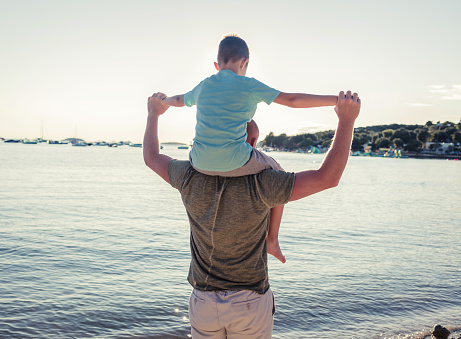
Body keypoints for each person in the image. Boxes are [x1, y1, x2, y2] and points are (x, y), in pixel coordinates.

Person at [144, 90, 361, 338]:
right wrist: (346, 120)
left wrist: (153, 114)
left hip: (203, 300)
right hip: (248, 301)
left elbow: (151, 157)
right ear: (253, 144)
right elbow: (327, 178)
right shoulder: (264, 182)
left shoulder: (189, 175)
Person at [161, 34, 338, 263]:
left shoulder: (204, 85)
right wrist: (336, 100)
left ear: (217, 65)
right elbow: (292, 100)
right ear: (245, 62)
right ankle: (272, 239)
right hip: (235, 160)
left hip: (198, 161)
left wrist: (161, 102)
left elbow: (178, 99)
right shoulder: (248, 84)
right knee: (278, 172)